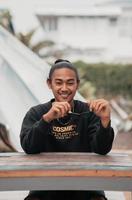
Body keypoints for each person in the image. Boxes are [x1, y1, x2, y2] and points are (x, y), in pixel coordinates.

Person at [20, 59, 114, 200]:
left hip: (86, 185)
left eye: (70, 82)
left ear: (77, 84)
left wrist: (105, 121)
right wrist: (47, 119)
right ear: (49, 84)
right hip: (45, 186)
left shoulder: (90, 112)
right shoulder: (37, 113)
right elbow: (28, 147)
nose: (64, 88)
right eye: (58, 82)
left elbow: (102, 150)